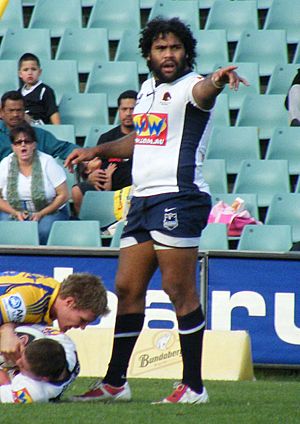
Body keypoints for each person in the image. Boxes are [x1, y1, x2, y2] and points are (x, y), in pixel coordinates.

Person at [65, 17, 248, 404]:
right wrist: (97, 150)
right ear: (149, 53)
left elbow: (204, 91)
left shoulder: (189, 87)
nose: (168, 55)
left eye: (175, 48)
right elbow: (140, 139)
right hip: (143, 200)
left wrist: (216, 79)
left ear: (186, 53)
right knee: (127, 288)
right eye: (161, 48)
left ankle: (194, 387)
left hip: (179, 197)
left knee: (178, 289)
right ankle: (115, 382)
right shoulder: (149, 89)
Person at [0, 270, 109, 363]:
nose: (82, 327)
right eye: (82, 320)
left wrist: (7, 328)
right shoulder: (33, 299)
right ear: (69, 302)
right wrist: (6, 331)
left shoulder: (51, 295)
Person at [0, 123, 70, 244]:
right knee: (7, 228)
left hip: (48, 209)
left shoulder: (48, 162)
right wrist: (15, 213)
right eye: (18, 142)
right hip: (14, 209)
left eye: (27, 141)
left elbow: (63, 195)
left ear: (34, 144)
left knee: (43, 230)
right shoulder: (5, 163)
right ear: (13, 147)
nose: (23, 145)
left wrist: (41, 213)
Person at [71, 90, 137, 215]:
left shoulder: (146, 137)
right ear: (118, 110)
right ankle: (86, 224)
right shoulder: (106, 138)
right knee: (77, 190)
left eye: (132, 109)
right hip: (107, 187)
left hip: (134, 188)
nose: (128, 113)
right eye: (124, 109)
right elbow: (97, 165)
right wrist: (91, 177)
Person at [0, 325, 80, 403]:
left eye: (23, 366)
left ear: (43, 378)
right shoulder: (64, 341)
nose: (18, 362)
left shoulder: (32, 392)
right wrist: (7, 331)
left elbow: (3, 387)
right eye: (23, 354)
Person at [0, 90, 79, 161]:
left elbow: (64, 149)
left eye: (19, 110)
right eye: (11, 110)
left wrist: (85, 154)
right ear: (2, 112)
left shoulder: (40, 135)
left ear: (24, 111)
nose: (15, 114)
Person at [18, 52, 61, 125]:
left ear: (39, 72)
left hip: (37, 125)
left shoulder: (45, 90)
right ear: (20, 74)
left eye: (33, 69)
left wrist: (58, 129)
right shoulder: (18, 92)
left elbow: (53, 112)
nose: (30, 73)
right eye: (26, 70)